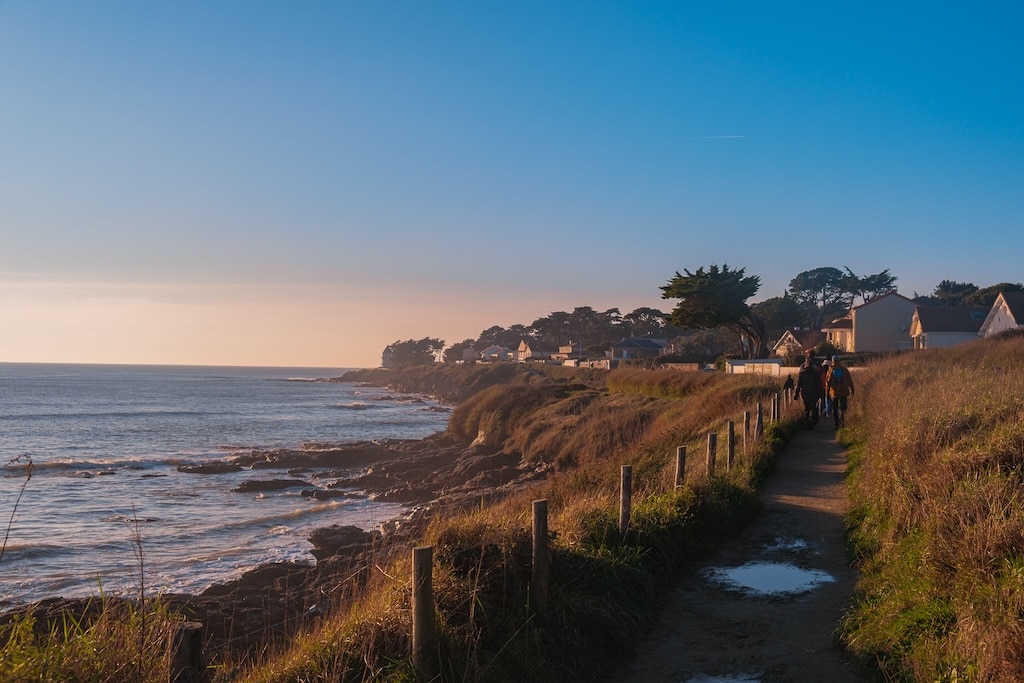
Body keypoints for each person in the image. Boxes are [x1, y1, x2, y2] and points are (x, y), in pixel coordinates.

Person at [793, 352, 822, 428]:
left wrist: (796, 394)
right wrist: (820, 392)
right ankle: (813, 420)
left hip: (805, 393)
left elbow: (798, 385)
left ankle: (807, 421)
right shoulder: (815, 373)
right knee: (813, 406)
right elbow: (819, 383)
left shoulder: (802, 373)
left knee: (806, 408)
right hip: (814, 392)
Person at [825, 355, 855, 428]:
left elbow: (827, 383)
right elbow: (849, 380)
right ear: (839, 361)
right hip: (843, 391)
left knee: (835, 408)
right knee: (843, 407)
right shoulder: (844, 369)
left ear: (832, 361)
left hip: (834, 392)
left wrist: (827, 392)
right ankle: (842, 420)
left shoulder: (830, 370)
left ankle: (836, 423)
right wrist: (852, 389)